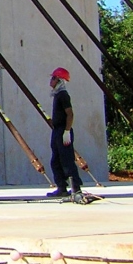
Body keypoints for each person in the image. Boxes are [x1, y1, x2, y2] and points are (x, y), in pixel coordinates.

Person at [47, 67, 84, 202]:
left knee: (67, 160)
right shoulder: (57, 95)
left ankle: (76, 188)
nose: (50, 81)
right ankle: (61, 188)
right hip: (57, 130)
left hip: (63, 130)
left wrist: (67, 131)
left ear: (59, 80)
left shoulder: (63, 95)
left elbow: (70, 114)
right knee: (55, 161)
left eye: (53, 78)